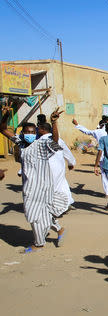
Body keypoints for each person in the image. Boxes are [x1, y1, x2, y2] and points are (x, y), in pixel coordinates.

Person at [0, 105, 67, 253]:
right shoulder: (21, 143)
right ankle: (59, 229)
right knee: (41, 214)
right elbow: (3, 128)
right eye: (27, 132)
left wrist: (54, 122)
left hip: (43, 187)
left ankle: (39, 244)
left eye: (32, 132)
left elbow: (55, 140)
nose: (30, 134)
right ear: (22, 133)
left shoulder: (42, 143)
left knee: (33, 215)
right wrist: (5, 115)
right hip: (29, 187)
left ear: (35, 132)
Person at [72, 118, 108, 197]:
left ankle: (107, 193)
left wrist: (77, 124)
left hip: (102, 155)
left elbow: (86, 131)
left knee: (104, 174)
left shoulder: (97, 132)